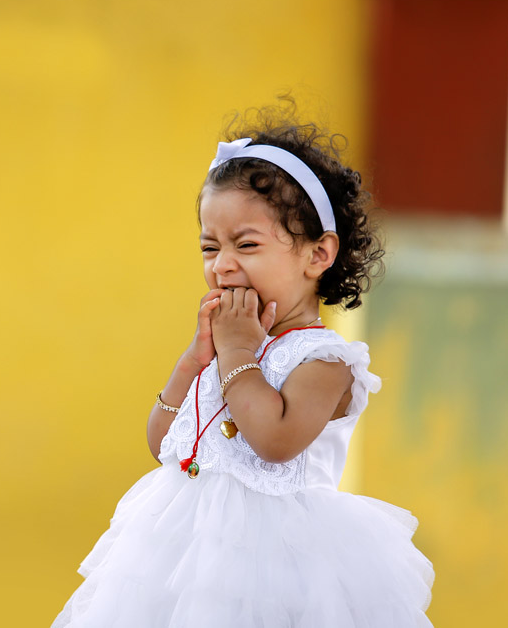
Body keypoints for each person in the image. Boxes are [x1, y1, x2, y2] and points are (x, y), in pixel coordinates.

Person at [52, 105, 434, 627]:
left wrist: (234, 355)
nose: (222, 264)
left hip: (276, 565)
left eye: (246, 245)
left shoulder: (322, 359)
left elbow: (274, 442)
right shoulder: (232, 346)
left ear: (318, 254)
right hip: (181, 554)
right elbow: (164, 442)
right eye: (210, 247)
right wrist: (195, 359)